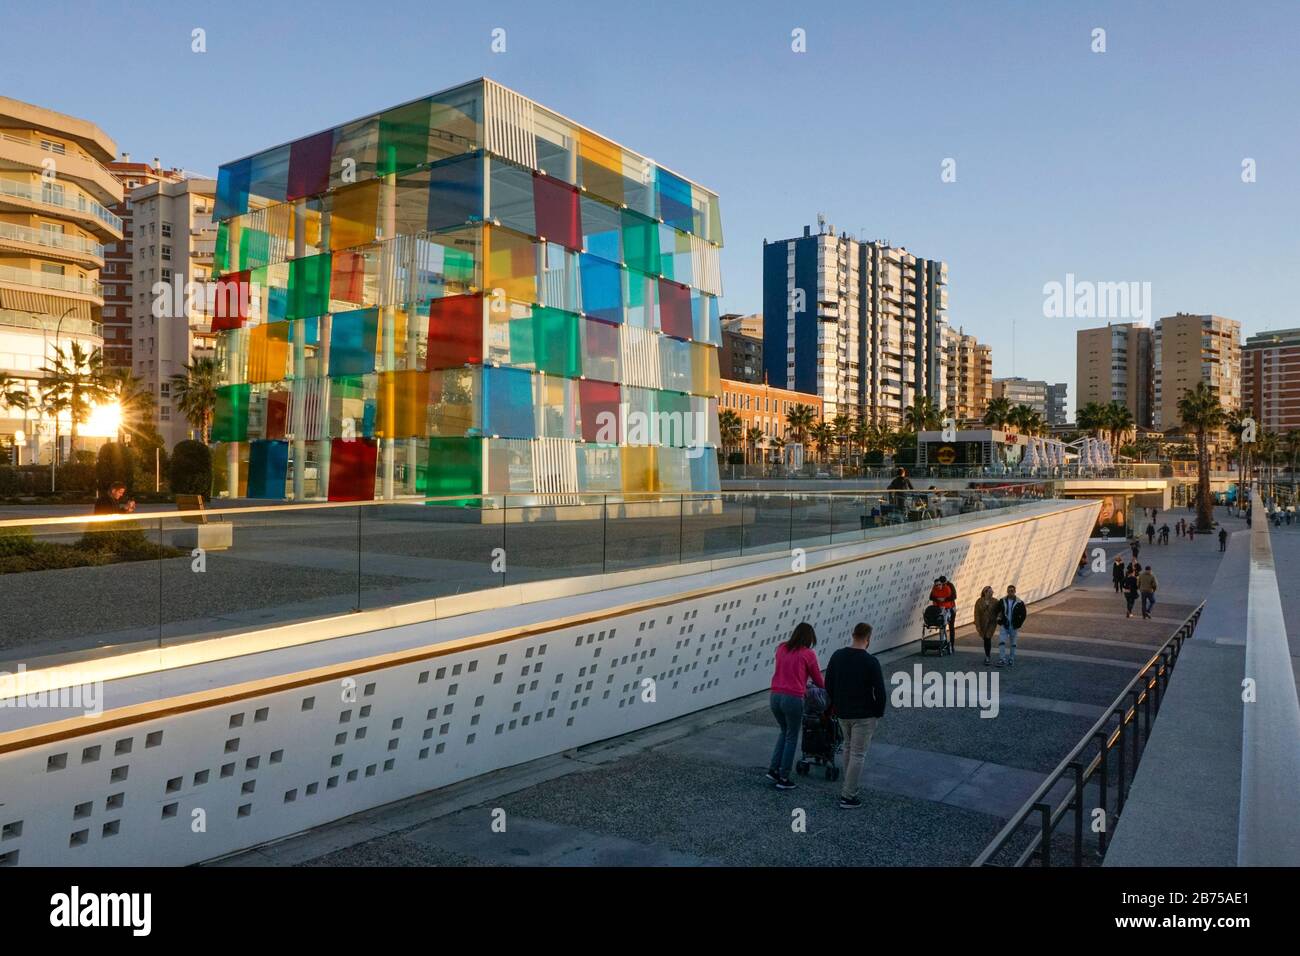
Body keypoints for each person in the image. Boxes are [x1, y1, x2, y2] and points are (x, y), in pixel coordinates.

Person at [824, 622, 887, 809]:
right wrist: (878, 712)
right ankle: (848, 795)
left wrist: (835, 704)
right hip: (864, 715)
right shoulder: (871, 662)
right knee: (858, 754)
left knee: (848, 749)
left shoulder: (837, 656)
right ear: (868, 639)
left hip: (843, 712)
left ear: (852, 635)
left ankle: (848, 787)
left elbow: (828, 684)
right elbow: (880, 691)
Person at [766, 622, 825, 790]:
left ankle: (773, 769)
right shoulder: (808, 654)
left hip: (775, 696)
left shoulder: (781, 648)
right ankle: (784, 777)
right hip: (793, 698)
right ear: (809, 638)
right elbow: (817, 679)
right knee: (792, 736)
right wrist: (825, 689)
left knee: (784, 732)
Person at [995, 585, 1026, 667]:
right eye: (1009, 591)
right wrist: (999, 621)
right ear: (1007, 591)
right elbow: (997, 611)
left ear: (1015, 591)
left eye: (1012, 591)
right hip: (1004, 625)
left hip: (1014, 626)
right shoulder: (1002, 601)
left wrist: (1018, 624)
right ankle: (1002, 659)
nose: (1010, 592)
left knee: (1013, 643)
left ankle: (1011, 659)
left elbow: (1023, 614)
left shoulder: (1019, 602)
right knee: (1001, 642)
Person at [974, 586, 1000, 665]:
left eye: (992, 592)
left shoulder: (995, 601)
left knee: (988, 637)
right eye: (990, 592)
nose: (991, 593)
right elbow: (977, 614)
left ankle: (988, 657)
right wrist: (977, 624)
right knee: (985, 639)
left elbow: (1000, 610)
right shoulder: (979, 601)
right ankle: (987, 655)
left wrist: (999, 616)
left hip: (992, 622)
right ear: (985, 592)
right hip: (983, 623)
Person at [928, 575, 957, 646]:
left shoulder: (949, 586)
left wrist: (944, 599)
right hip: (941, 608)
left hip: (950, 607)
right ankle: (943, 642)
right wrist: (938, 599)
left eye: (943, 584)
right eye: (940, 584)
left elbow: (954, 596)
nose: (941, 586)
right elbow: (931, 597)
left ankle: (952, 643)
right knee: (942, 625)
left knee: (951, 627)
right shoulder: (935, 588)